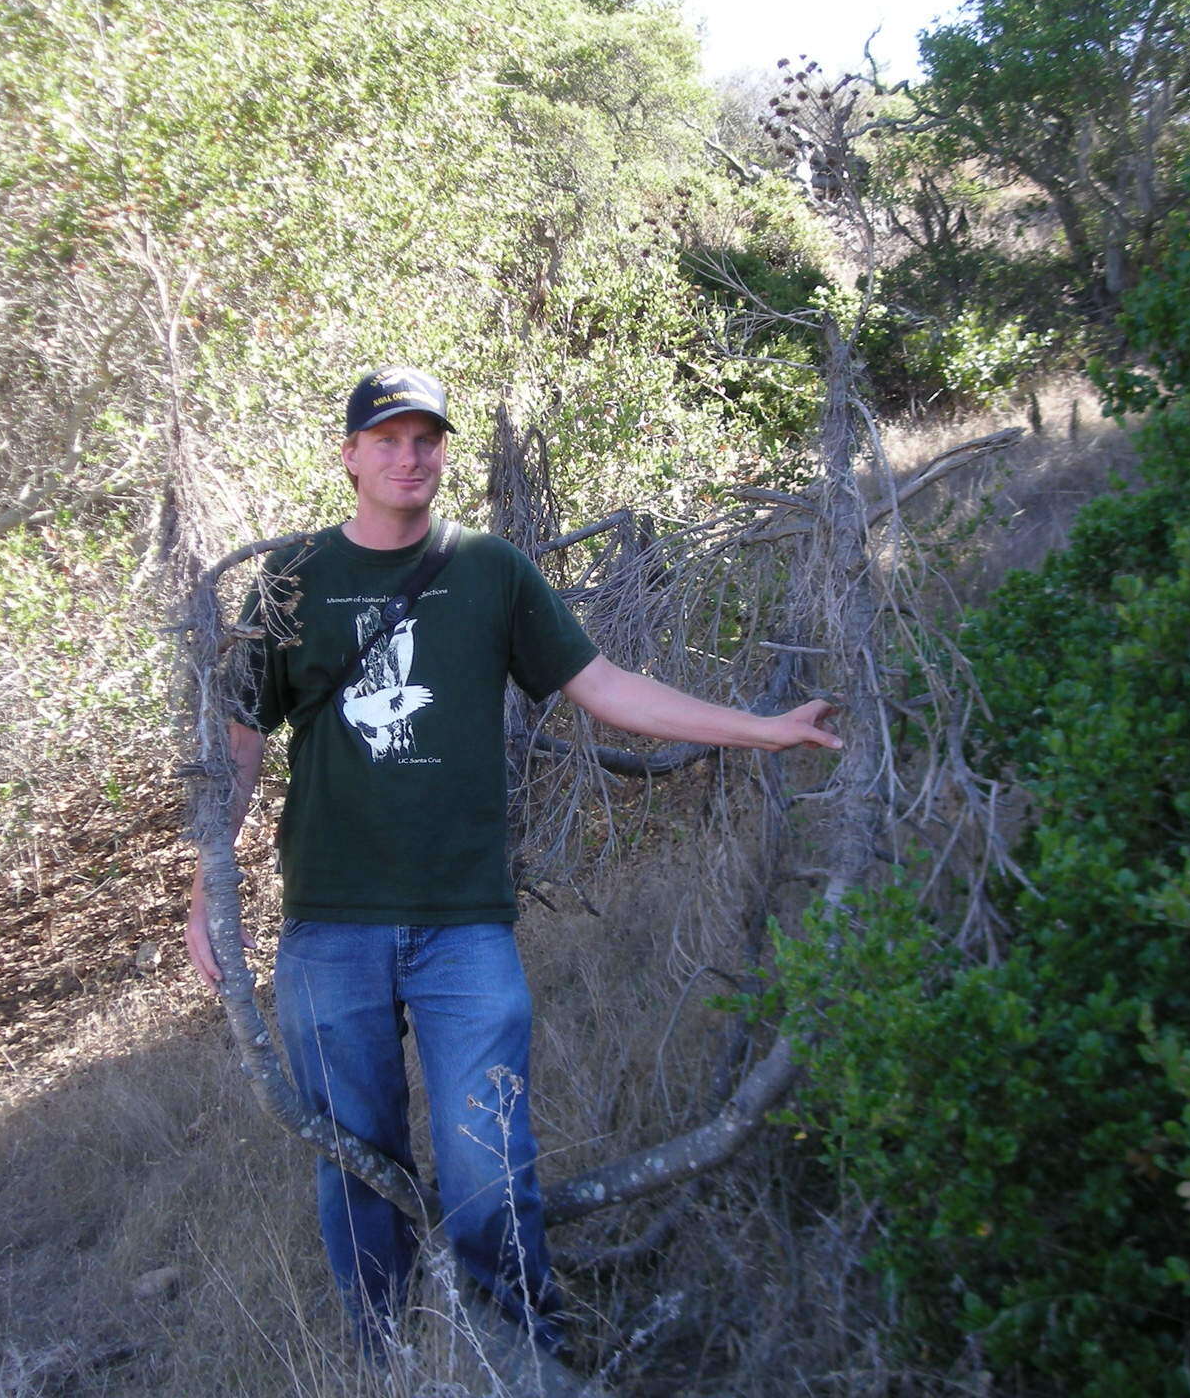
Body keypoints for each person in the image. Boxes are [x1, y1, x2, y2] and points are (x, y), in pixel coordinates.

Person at [185, 365, 841, 1355]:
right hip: (330, 927)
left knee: (486, 1159)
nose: (410, 456)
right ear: (351, 454)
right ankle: (387, 1356)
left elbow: (608, 688)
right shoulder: (293, 579)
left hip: (463, 928)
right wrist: (206, 892)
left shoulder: (489, 572)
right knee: (356, 1165)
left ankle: (519, 1351)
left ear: (441, 451)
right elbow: (235, 746)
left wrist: (758, 730)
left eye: (427, 439)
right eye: (389, 439)